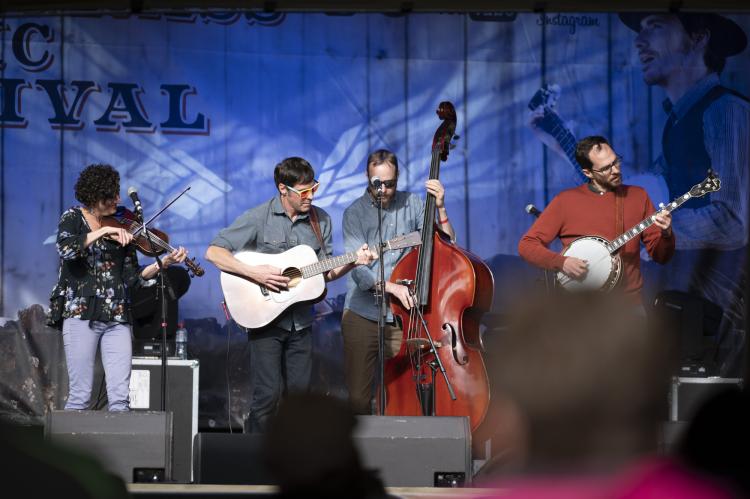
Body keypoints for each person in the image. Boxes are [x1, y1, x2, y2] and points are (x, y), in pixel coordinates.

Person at [618, 12, 750, 376]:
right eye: (639, 31)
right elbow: (640, 189)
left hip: (724, 325)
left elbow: (733, 220)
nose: (639, 41)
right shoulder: (679, 121)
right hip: (691, 315)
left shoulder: (725, 112)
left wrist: (656, 231)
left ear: (698, 38)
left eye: (655, 26)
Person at [205, 157, 374, 433]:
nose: (311, 196)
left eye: (313, 189)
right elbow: (214, 252)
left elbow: (325, 273)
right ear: (283, 189)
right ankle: (255, 464)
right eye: (303, 191)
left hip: (302, 323)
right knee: (267, 397)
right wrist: (256, 274)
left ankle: (293, 464)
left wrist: (354, 261)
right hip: (266, 322)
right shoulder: (259, 217)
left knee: (299, 399)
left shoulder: (321, 220)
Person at [47, 164, 188, 411]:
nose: (118, 200)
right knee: (80, 396)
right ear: (94, 197)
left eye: (117, 193)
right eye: (111, 196)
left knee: (121, 400)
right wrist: (102, 232)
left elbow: (133, 277)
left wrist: (162, 263)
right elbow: (66, 249)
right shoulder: (72, 218)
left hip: (117, 315)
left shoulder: (123, 225)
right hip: (81, 313)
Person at [341, 149, 455, 415]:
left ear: (398, 180)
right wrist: (393, 288)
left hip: (403, 317)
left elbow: (446, 246)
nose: (383, 189)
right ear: (367, 179)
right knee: (358, 397)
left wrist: (440, 207)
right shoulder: (354, 214)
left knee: (403, 390)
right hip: (362, 313)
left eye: (389, 184)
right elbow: (359, 271)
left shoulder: (413, 204)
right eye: (376, 183)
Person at [518, 136, 674, 307]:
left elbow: (661, 257)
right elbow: (527, 245)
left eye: (616, 162)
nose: (615, 170)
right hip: (580, 311)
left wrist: (666, 234)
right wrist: (562, 263)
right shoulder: (566, 201)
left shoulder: (638, 196)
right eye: (606, 168)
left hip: (629, 309)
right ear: (588, 173)